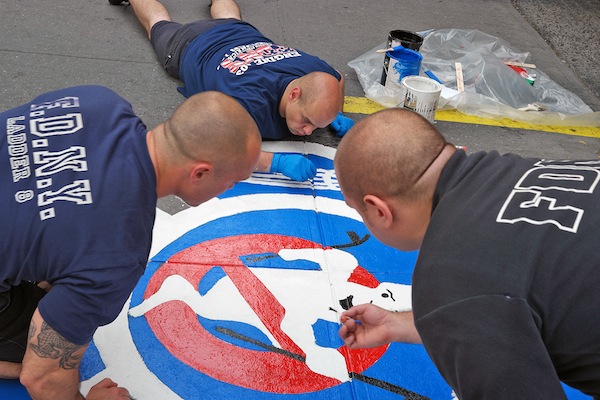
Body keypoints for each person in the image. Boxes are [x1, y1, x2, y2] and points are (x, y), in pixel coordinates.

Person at [0, 85, 261, 399]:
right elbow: (41, 378)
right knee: (51, 354)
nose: (226, 191)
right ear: (200, 173)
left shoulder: (98, 100)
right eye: (231, 182)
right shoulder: (119, 250)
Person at [335, 108, 600, 399]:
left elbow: (474, 296)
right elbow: (501, 296)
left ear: (379, 210)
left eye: (358, 211)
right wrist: (404, 323)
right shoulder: (508, 170)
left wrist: (445, 313)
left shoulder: (450, 280)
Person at [109, 0, 354, 182]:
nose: (308, 131)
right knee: (157, 24)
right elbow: (220, 149)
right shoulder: (248, 104)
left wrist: (332, 114)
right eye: (307, 120)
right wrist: (275, 162)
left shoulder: (315, 71)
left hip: (238, 32)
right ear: (293, 94)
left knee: (229, 16)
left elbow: (337, 78)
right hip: (189, 46)